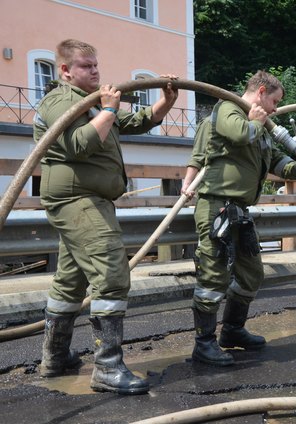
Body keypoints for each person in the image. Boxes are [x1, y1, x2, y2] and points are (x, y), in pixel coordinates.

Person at [33, 39, 179, 395]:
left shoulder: (96, 102)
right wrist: (109, 110)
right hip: (76, 199)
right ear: (65, 70)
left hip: (91, 199)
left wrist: (167, 100)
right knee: (112, 273)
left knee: (71, 281)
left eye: (96, 64)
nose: (95, 71)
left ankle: (56, 358)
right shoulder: (60, 100)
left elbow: (140, 120)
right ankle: (108, 368)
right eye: (86, 66)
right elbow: (79, 144)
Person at [181, 70, 296, 366]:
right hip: (216, 207)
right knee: (213, 276)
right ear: (259, 92)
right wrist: (257, 122)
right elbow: (239, 133)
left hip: (240, 212)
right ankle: (203, 344)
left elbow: (276, 163)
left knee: (251, 273)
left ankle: (232, 331)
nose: (275, 109)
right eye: (274, 101)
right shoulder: (227, 109)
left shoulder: (261, 126)